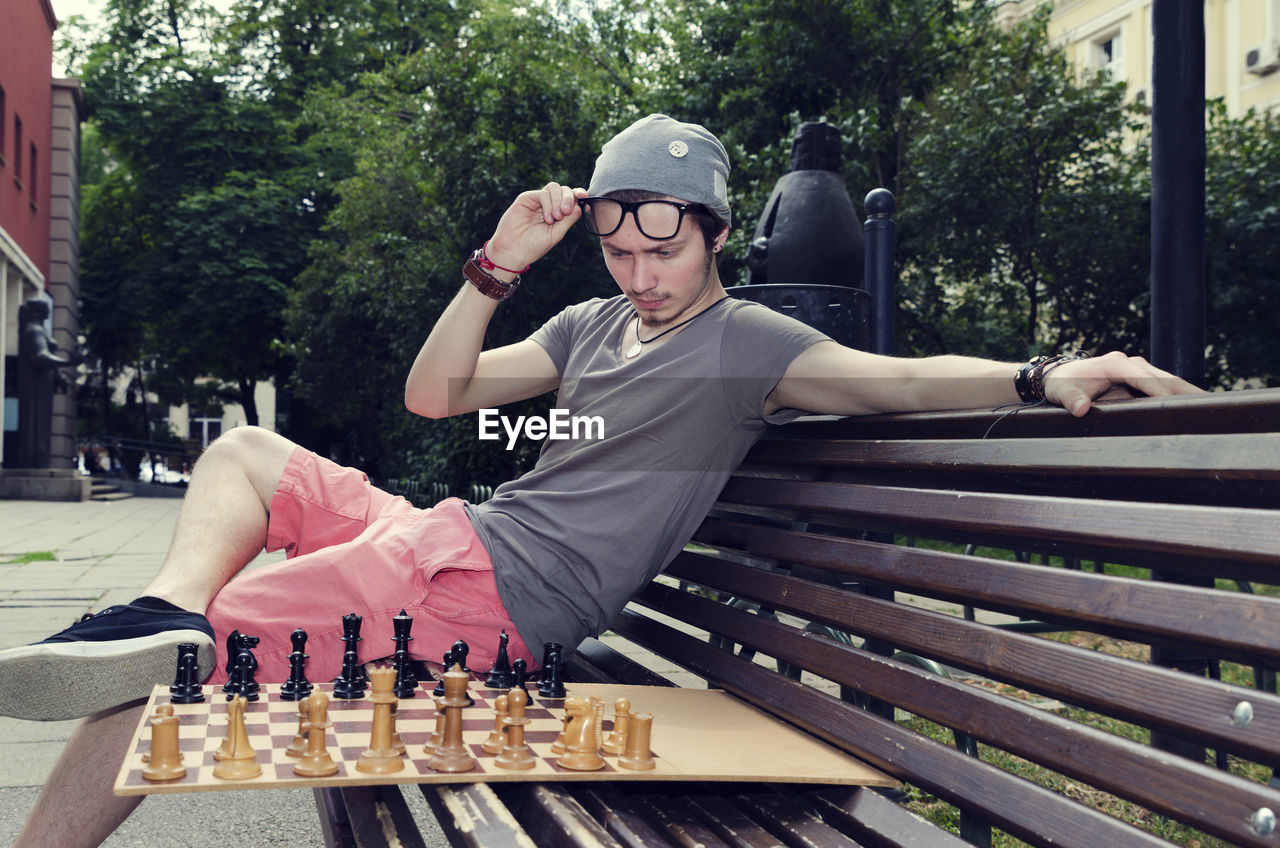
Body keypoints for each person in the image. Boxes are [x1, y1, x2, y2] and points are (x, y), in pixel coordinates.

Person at [1, 114, 1201, 847]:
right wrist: (494, 266)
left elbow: (894, 382)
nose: (639, 271)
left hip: (501, 597)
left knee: (191, 670)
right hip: (456, 543)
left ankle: (166, 640)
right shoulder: (584, 323)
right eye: (619, 247)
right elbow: (436, 395)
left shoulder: (750, 348)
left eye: (662, 246)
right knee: (248, 458)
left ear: (718, 231)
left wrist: (1046, 370)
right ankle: (160, 604)